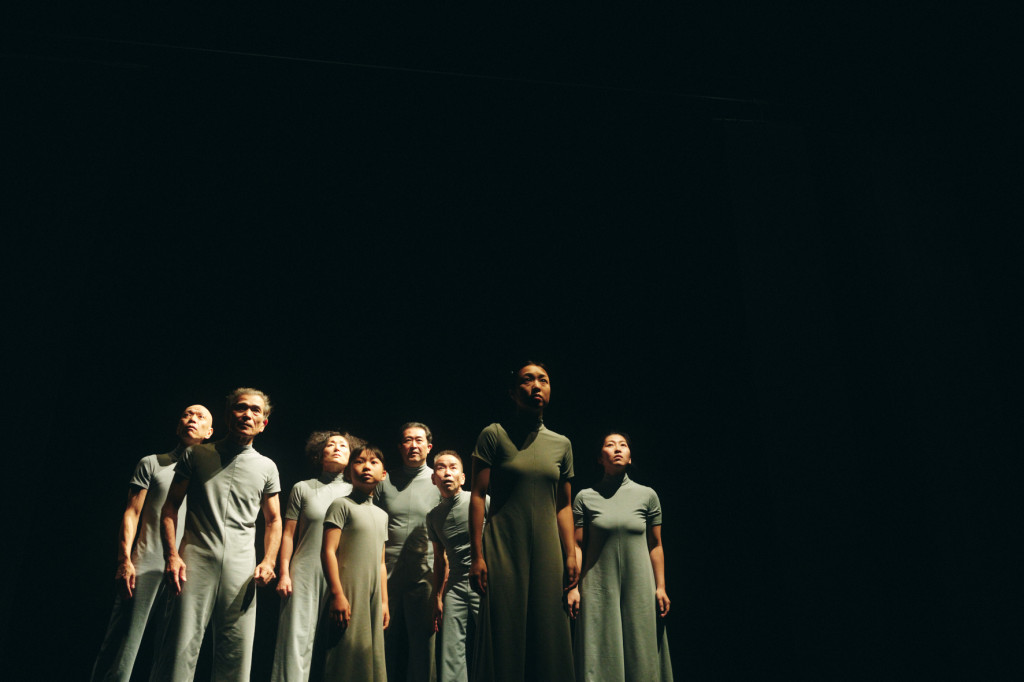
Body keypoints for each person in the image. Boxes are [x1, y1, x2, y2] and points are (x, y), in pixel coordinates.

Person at [151, 388, 283, 682]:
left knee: (236, 650)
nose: (247, 414)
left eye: (255, 410)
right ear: (227, 415)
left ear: (264, 422)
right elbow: (170, 506)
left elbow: (274, 519)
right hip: (195, 559)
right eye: (240, 408)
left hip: (242, 564)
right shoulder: (197, 454)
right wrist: (171, 555)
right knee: (180, 647)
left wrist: (269, 561)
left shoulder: (266, 466)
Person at [469, 361, 579, 682]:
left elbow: (564, 505)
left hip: (547, 548)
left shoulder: (562, 444)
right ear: (513, 392)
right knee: (504, 628)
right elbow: (477, 496)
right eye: (527, 380)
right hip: (504, 546)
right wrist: (477, 556)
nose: (536, 386)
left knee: (549, 628)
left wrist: (570, 554)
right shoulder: (494, 434)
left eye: (543, 380)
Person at [91, 405, 215, 682]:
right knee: (122, 646)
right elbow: (132, 512)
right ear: (177, 425)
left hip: (188, 568)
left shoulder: (209, 474)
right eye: (187, 414)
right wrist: (125, 560)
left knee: (173, 654)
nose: (192, 420)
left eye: (200, 417)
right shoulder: (152, 462)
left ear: (210, 432)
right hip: (145, 562)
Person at [567, 433, 673, 682]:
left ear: (630, 457)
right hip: (598, 586)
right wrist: (573, 587)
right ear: (599, 458)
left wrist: (661, 587)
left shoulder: (647, 495)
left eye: (623, 445)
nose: (617, 449)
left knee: (641, 648)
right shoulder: (585, 497)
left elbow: (655, 545)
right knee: (600, 649)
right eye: (610, 445)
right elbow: (578, 546)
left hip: (639, 584)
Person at [271, 431, 358, 682]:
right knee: (295, 640)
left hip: (344, 572)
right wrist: (284, 573)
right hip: (306, 570)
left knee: (343, 641)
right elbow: (288, 535)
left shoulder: (358, 491)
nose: (338, 448)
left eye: (343, 445)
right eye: (332, 444)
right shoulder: (303, 488)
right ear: (321, 455)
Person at [318, 444, 391, 682]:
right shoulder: (341, 505)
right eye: (359, 462)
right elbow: (328, 551)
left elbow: (381, 562)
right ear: (350, 471)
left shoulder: (382, 515)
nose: (366, 467)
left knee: (369, 656)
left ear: (384, 474)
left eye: (373, 462)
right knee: (344, 656)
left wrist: (384, 601)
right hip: (348, 591)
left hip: (372, 595)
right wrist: (337, 594)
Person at [374, 423, 440, 682]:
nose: (413, 445)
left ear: (428, 447)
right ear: (400, 446)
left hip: (426, 572)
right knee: (383, 642)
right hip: (387, 572)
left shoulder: (439, 480)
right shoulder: (385, 481)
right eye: (407, 440)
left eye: (418, 440)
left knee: (424, 646)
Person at [426, 451, 487, 682]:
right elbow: (440, 559)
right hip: (455, 586)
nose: (447, 472)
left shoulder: (481, 502)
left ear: (462, 477)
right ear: (434, 478)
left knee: (492, 641)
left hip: (484, 581)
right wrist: (438, 597)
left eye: (453, 467)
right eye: (441, 468)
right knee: (451, 649)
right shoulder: (433, 517)